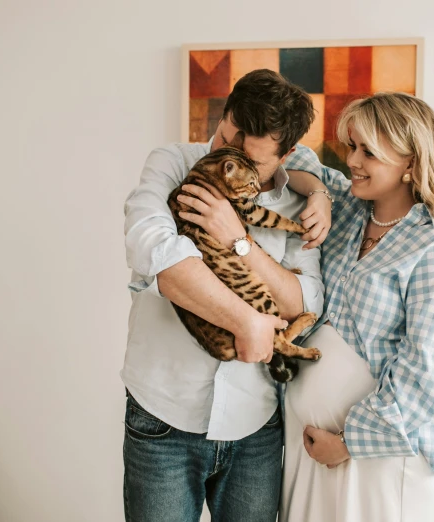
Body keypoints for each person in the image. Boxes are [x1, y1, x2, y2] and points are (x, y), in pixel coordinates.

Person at [121, 69, 324, 522]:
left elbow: (304, 303)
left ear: (286, 154)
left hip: (257, 428)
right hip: (162, 418)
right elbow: (155, 253)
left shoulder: (299, 200)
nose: (227, 160)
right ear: (222, 115)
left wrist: (240, 241)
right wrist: (247, 322)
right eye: (223, 138)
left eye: (248, 156)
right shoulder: (172, 162)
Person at [278, 92, 434, 522]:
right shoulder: (349, 210)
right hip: (313, 455)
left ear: (410, 164)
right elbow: (293, 163)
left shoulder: (432, 248)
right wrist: (317, 192)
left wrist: (350, 442)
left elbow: (426, 369)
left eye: (368, 151)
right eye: (351, 146)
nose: (351, 160)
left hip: (383, 457)